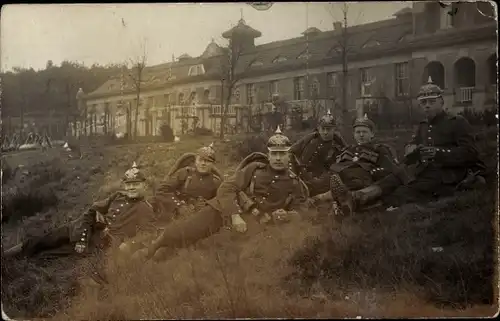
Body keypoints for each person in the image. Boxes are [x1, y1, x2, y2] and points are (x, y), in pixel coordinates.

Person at [136, 126, 310, 261]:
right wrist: (234, 215)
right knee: (187, 229)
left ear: (288, 156)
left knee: (233, 254)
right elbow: (227, 188)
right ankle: (153, 247)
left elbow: (303, 209)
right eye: (274, 154)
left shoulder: (294, 182)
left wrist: (288, 214)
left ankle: (168, 254)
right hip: (225, 209)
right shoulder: (254, 169)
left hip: (259, 223)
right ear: (268, 155)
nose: (278, 158)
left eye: (282, 154)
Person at [329, 77, 487, 215]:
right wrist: (411, 149)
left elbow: (471, 153)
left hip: (448, 174)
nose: (427, 106)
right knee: (392, 179)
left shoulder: (457, 122)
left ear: (442, 101)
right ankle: (355, 197)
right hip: (422, 168)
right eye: (423, 102)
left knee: (403, 191)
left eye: (432, 102)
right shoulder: (423, 125)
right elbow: (413, 143)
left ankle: (355, 205)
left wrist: (438, 153)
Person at [2, 162, 161, 260]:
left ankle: (21, 264)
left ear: (144, 185)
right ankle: (7, 256)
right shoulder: (118, 196)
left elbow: (147, 236)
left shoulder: (145, 209)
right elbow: (92, 210)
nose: (131, 187)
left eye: (135, 184)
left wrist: (127, 246)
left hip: (98, 243)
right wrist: (83, 238)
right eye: (128, 184)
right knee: (43, 239)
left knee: (48, 255)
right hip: (81, 228)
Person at [310, 113, 399, 211]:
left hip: (362, 181)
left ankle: (323, 199)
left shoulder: (380, 149)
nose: (361, 135)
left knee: (351, 182)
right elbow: (333, 166)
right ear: (354, 134)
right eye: (358, 132)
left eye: (364, 132)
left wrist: (373, 173)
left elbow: (390, 170)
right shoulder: (347, 149)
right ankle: (310, 196)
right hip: (340, 178)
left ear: (372, 134)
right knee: (320, 181)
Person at [153, 142, 223, 219]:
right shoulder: (185, 173)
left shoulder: (216, 182)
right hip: (179, 217)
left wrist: (208, 205)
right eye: (200, 160)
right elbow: (162, 191)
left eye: (207, 161)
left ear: (213, 164)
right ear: (195, 161)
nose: (203, 163)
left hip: (203, 218)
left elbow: (221, 201)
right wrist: (179, 206)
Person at [289, 110, 347, 196]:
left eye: (328, 129)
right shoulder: (310, 138)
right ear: (318, 128)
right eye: (323, 129)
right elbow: (291, 151)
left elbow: (334, 172)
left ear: (334, 129)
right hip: (298, 178)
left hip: (320, 186)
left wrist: (316, 183)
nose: (325, 132)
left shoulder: (338, 147)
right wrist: (293, 171)